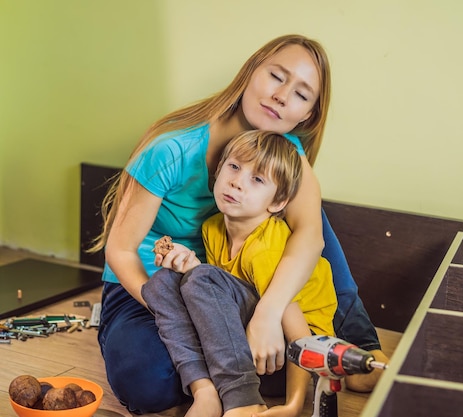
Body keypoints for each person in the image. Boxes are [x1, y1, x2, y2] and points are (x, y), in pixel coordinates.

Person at [90, 33, 387, 414]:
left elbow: (312, 240)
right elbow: (120, 249)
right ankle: (232, 379)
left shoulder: (289, 155)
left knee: (308, 221)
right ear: (250, 73)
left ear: (307, 115)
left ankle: (347, 339)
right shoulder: (171, 149)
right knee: (149, 385)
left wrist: (267, 315)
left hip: (232, 288)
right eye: (277, 77)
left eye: (300, 94)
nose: (281, 96)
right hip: (149, 288)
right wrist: (168, 308)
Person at [142, 130, 338, 417]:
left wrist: (294, 404)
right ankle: (205, 390)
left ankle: (245, 401)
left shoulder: (265, 248)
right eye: (234, 167)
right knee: (160, 283)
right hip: (244, 347)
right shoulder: (213, 228)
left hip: (289, 359)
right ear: (219, 170)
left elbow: (298, 332)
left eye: (257, 180)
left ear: (277, 202)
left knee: (202, 278)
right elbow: (222, 296)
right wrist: (190, 268)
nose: (236, 182)